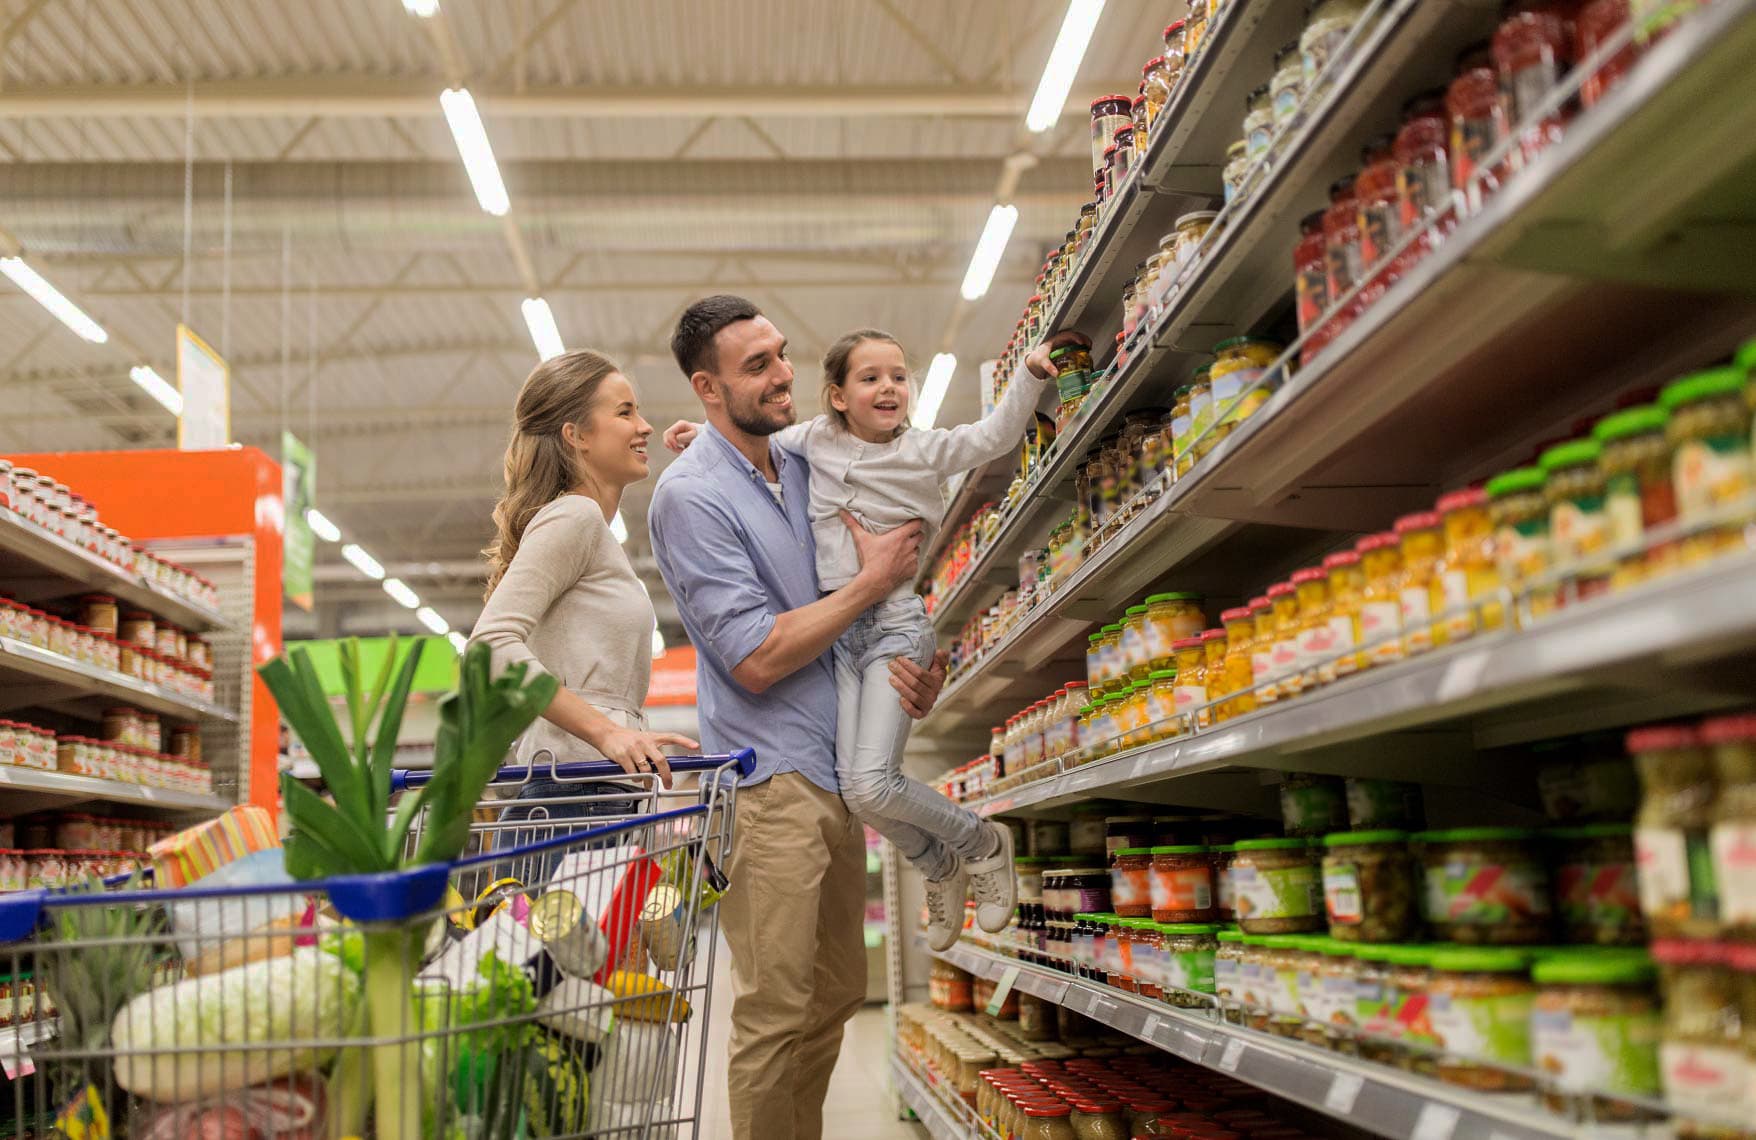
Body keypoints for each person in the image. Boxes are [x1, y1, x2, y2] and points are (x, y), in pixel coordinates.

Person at [662, 325, 1088, 952]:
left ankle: (977, 842)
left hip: (893, 624)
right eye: (870, 377)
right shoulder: (815, 441)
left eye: (897, 375)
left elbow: (992, 436)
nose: (889, 387)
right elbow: (756, 442)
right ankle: (938, 864)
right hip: (839, 638)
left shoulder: (923, 450)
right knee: (855, 789)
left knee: (870, 784)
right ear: (836, 395)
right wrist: (700, 436)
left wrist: (1028, 373)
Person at [647, 296, 949, 1140]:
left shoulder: (807, 460)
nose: (783, 375)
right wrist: (869, 588)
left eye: (781, 355)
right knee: (776, 1008)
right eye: (757, 367)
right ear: (709, 389)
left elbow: (884, 565)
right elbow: (754, 655)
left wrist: (917, 658)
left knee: (836, 994)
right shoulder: (690, 498)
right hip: (767, 780)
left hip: (839, 766)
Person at [469, 349, 697, 807]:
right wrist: (608, 733)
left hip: (594, 787)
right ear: (576, 436)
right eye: (625, 412)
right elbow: (490, 645)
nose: (645, 426)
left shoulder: (591, 529)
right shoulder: (577, 515)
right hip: (579, 790)